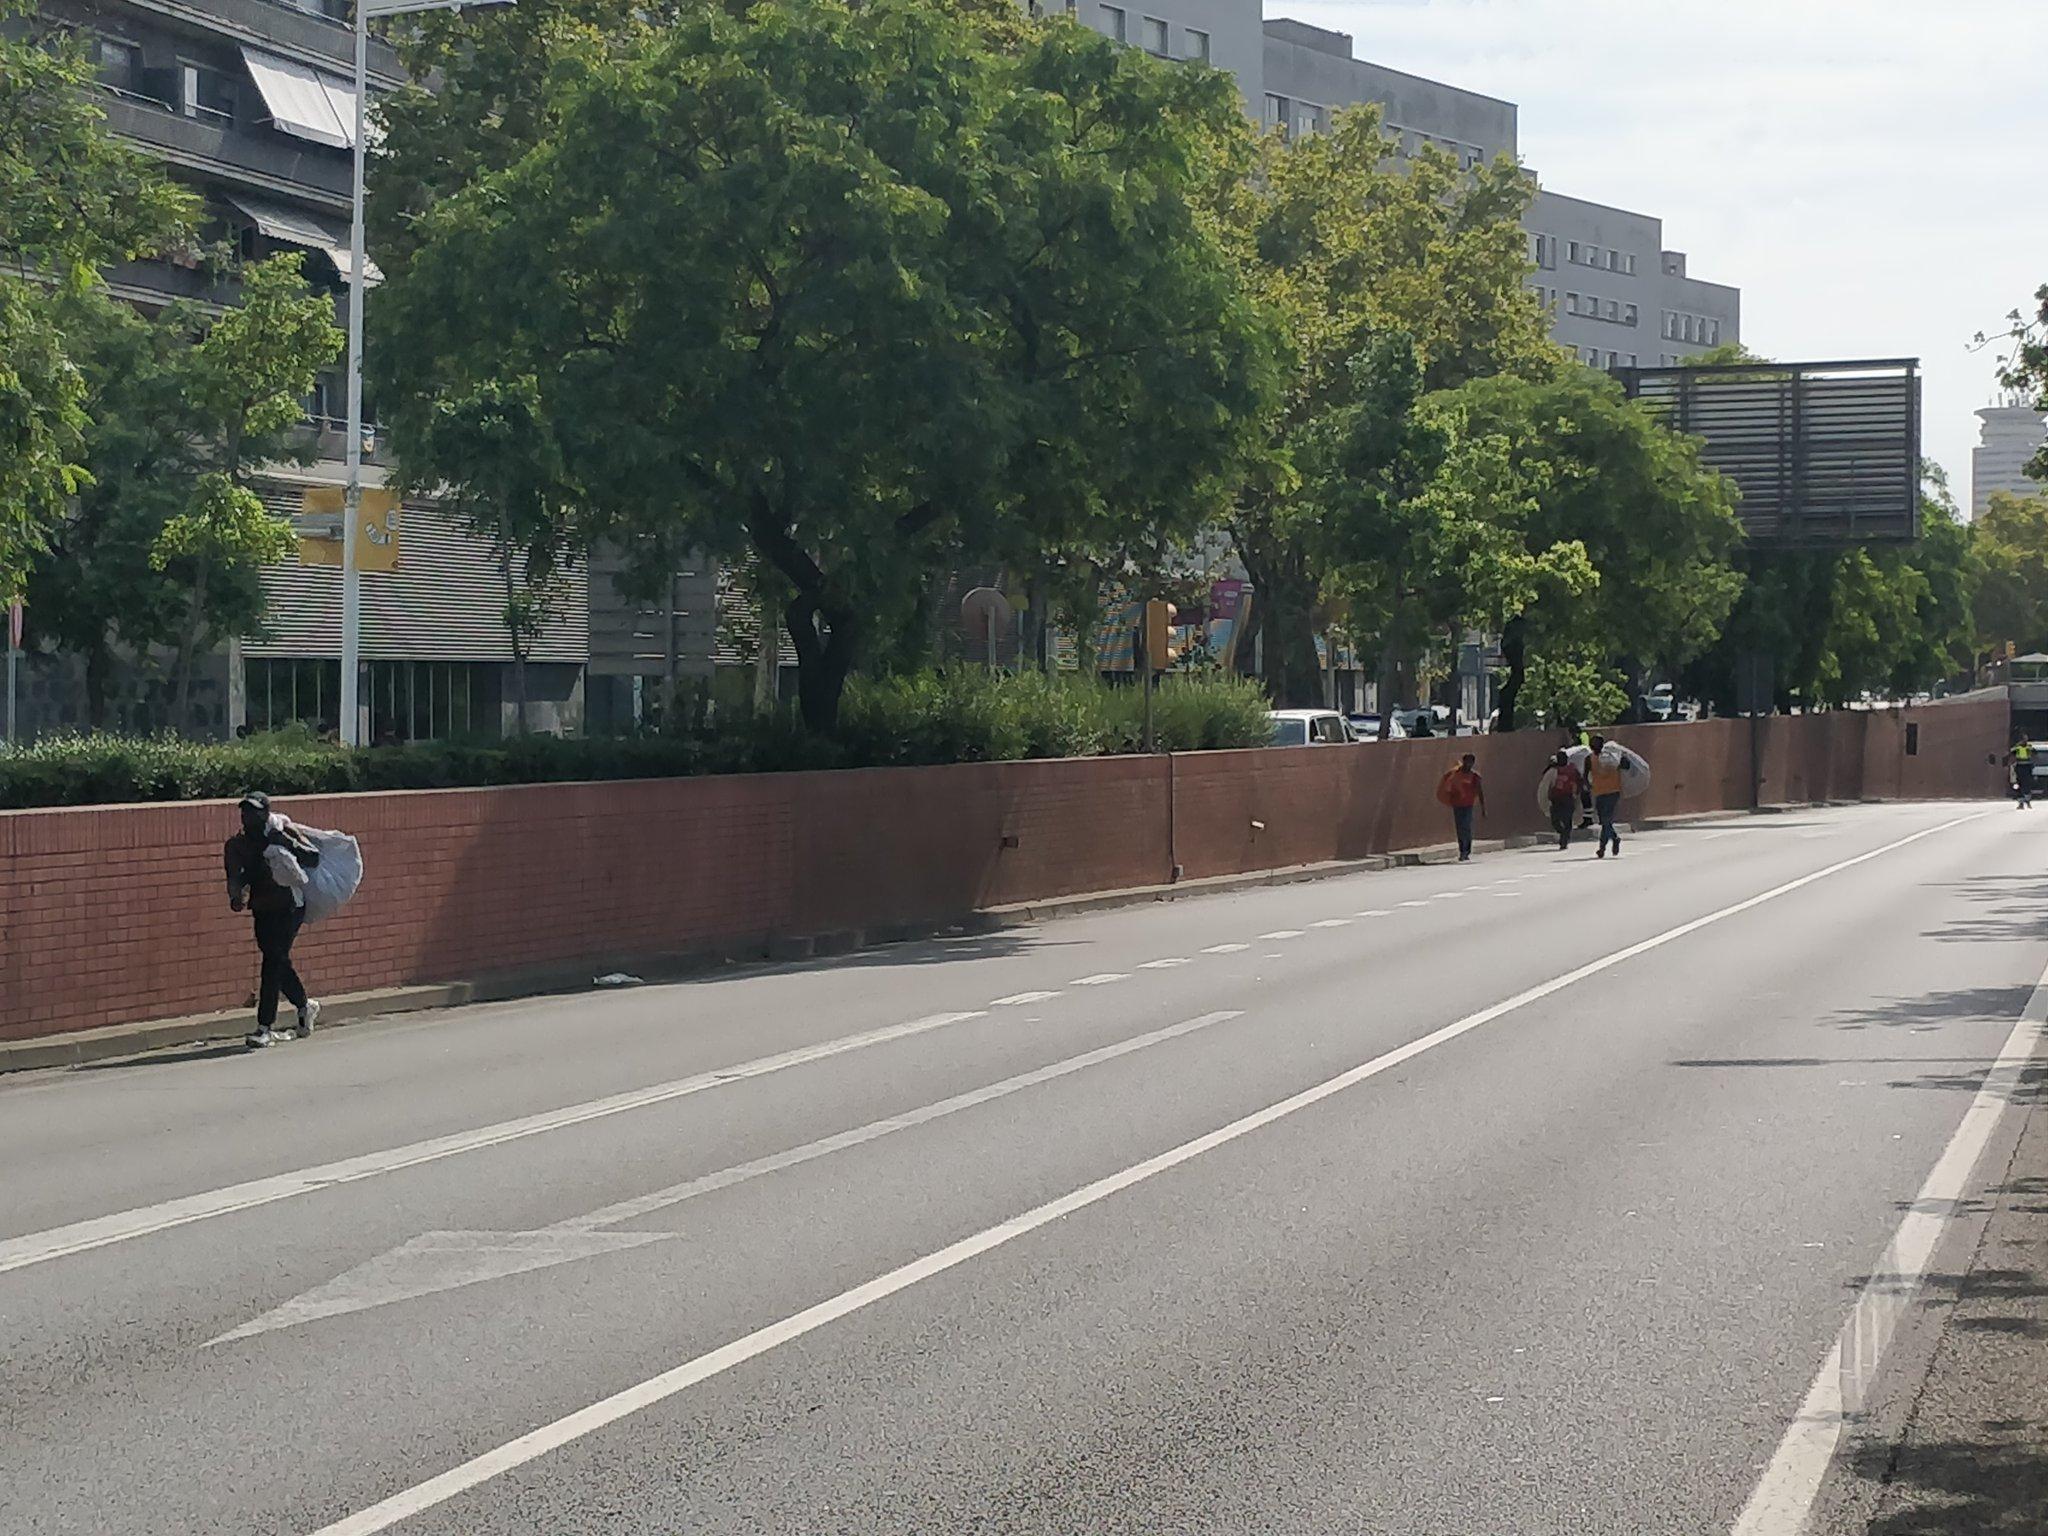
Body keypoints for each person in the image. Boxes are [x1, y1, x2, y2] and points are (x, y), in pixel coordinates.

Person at [223, 791, 323, 1048]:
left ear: (265, 813)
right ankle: (304, 1005)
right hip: (263, 908)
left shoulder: (282, 830)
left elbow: (313, 857)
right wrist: (236, 896)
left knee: (272, 960)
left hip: (290, 906)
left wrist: (286, 842)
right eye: (244, 812)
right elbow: (235, 876)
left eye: (253, 811)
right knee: (278, 960)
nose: (247, 817)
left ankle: (264, 1026)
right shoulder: (237, 845)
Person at [1437, 752, 1486, 861]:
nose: (1469, 764)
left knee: (1466, 827)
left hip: (1468, 805)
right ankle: (1462, 850)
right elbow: (1448, 786)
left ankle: (1466, 851)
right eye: (1467, 762)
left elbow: (1480, 792)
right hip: (1457, 805)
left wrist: (1483, 808)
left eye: (1471, 762)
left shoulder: (1474, 776)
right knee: (1460, 828)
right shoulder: (1455, 774)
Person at [1586, 734, 1625, 858]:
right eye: (1593, 744)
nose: (1594, 746)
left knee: (1606, 819)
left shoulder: (1611, 757)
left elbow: (1626, 765)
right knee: (1604, 821)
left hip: (1613, 791)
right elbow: (1585, 774)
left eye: (1597, 743)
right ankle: (1615, 838)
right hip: (1599, 792)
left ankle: (1602, 848)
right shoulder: (1589, 758)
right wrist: (1588, 786)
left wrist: (1620, 761)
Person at [1544, 749, 1583, 850]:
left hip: (1568, 798)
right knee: (1555, 821)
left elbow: (1579, 781)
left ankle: (1564, 840)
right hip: (1556, 799)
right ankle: (1563, 834)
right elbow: (1546, 784)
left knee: (1567, 820)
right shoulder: (1554, 771)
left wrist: (1577, 793)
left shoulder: (1572, 770)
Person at [2007, 734, 2036, 810]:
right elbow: (2011, 753)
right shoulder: (2018, 748)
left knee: (2026, 785)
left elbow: (2035, 753)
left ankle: (2027, 802)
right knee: (2020, 785)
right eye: (2024, 739)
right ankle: (2022, 803)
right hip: (2021, 768)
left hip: (2026, 768)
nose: (2025, 741)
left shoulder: (2028, 747)